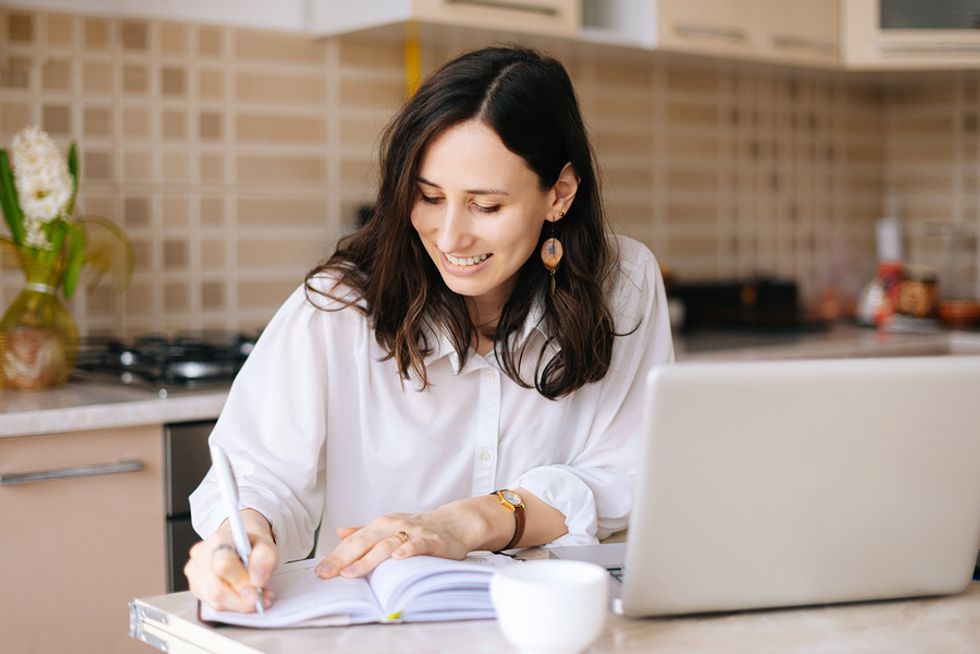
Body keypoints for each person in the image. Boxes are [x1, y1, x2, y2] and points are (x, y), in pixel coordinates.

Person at [185, 45, 674, 613]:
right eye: (429, 196)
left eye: (485, 207)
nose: (448, 237)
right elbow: (258, 471)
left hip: (551, 627)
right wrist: (234, 538)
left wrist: (472, 520)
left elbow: (628, 475)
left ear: (559, 193)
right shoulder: (341, 305)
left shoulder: (623, 283)